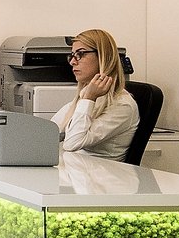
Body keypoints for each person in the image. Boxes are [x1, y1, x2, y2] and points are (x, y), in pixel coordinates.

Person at [52, 29, 140, 160]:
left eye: (80, 54)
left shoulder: (122, 106)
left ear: (103, 57)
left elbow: (72, 143)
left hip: (100, 177)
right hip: (76, 172)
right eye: (72, 55)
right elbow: (50, 132)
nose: (72, 62)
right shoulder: (88, 97)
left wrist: (88, 99)